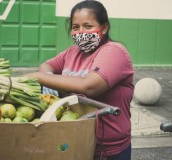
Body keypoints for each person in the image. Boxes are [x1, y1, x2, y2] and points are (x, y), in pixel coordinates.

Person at [27, 0, 134, 159]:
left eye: (88, 26)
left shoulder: (114, 51)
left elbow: (89, 86)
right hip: (75, 141)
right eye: (76, 27)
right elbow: (46, 65)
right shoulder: (73, 52)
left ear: (104, 28)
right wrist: (48, 76)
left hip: (107, 149)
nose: (81, 32)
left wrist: (40, 78)